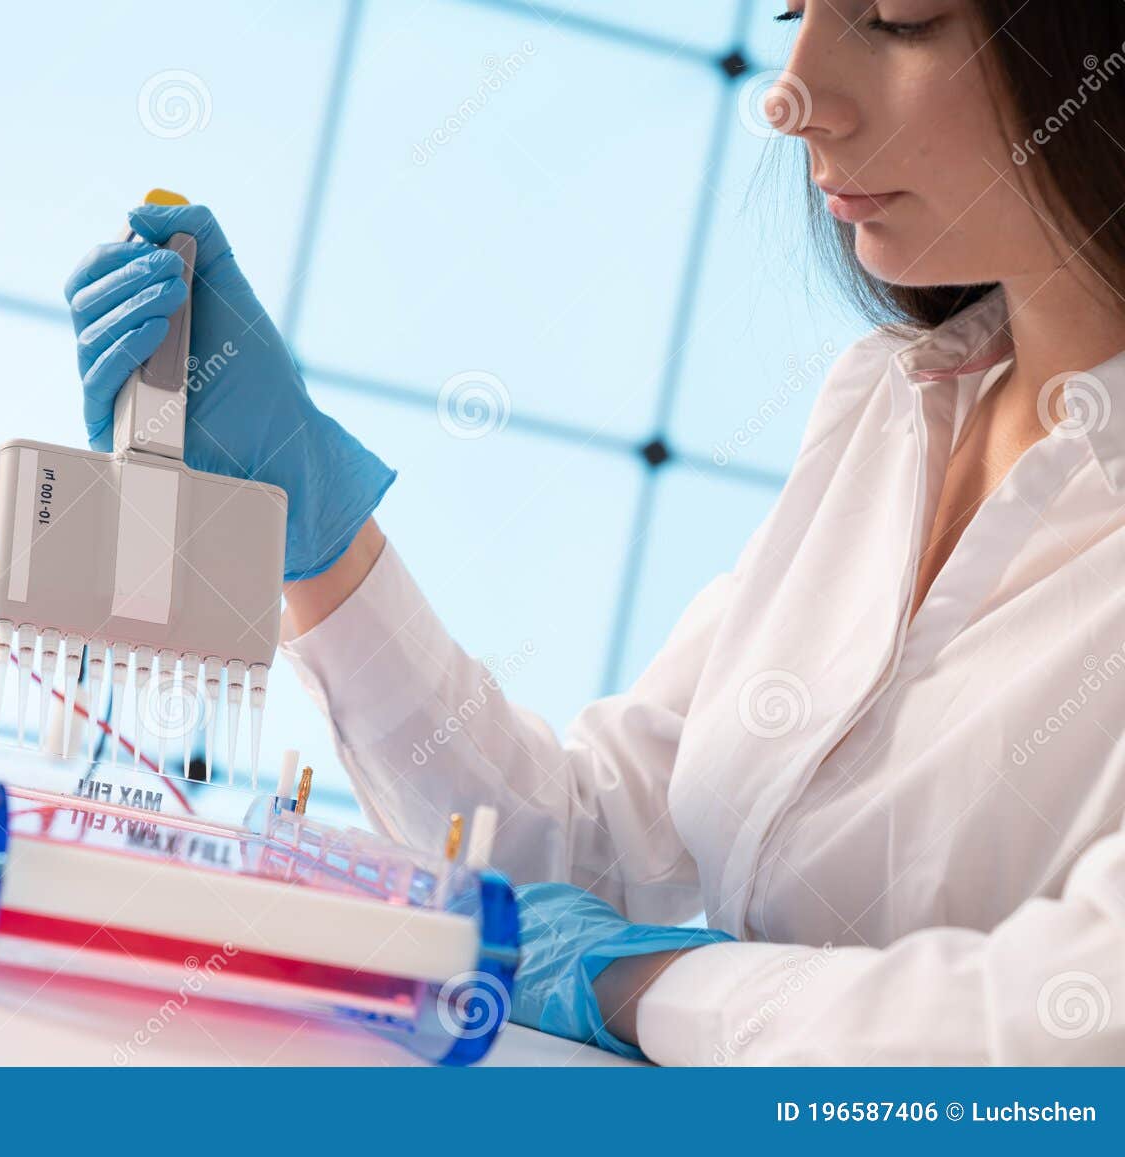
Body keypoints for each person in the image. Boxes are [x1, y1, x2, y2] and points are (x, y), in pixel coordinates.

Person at [63, 0, 1125, 1064]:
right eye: (796, 11)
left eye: (897, 19)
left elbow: (1065, 1017)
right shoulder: (886, 408)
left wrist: (641, 978)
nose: (789, 94)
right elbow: (583, 849)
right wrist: (316, 534)